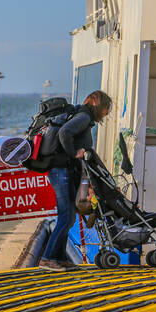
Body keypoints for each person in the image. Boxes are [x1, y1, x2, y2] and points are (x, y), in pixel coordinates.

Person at [39, 90, 112, 272]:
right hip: (61, 171)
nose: (107, 113)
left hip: (64, 170)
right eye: (106, 108)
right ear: (97, 103)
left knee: (70, 215)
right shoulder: (84, 117)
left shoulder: (82, 116)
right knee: (66, 216)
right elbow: (64, 133)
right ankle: (47, 258)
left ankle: (60, 257)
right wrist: (74, 153)